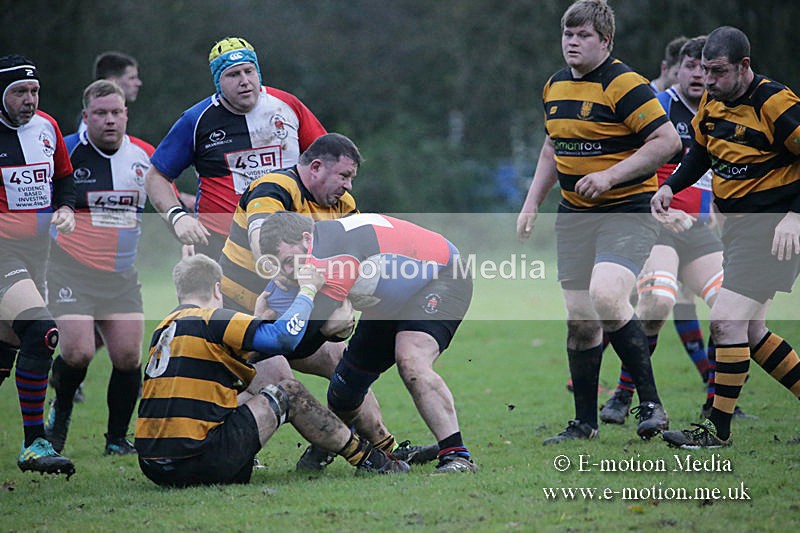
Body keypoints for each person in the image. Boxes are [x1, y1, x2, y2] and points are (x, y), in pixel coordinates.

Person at [221, 132, 437, 471]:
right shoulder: (274, 187)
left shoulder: (342, 205)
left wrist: (340, 304)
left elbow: (353, 260)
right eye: (344, 176)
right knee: (276, 380)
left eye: (352, 178)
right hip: (245, 309)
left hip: (297, 308)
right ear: (317, 167)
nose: (349, 186)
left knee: (344, 366)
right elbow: (264, 245)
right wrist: (302, 291)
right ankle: (231, 449)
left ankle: (387, 448)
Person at [515, 0, 681, 443]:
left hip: (626, 209)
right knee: (581, 319)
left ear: (605, 41)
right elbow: (553, 147)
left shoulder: (625, 84)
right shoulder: (554, 85)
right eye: (567, 34)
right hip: (573, 215)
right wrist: (532, 202)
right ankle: (584, 424)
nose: (572, 42)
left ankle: (650, 404)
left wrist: (610, 176)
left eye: (583, 35)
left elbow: (666, 142)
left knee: (607, 296)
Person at [134, 254, 408, 486]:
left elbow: (242, 358)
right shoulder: (214, 318)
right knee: (288, 392)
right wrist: (308, 291)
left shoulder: (165, 328)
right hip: (199, 461)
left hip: (154, 466)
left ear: (179, 291)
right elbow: (282, 338)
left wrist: (258, 319)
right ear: (218, 290)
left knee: (243, 396)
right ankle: (371, 459)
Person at [655, 26, 800, 448]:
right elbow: (699, 152)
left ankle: (716, 430)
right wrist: (670, 187)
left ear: (744, 66)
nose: (710, 81)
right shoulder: (713, 105)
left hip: (772, 230)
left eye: (718, 72)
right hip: (738, 231)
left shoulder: (775, 103)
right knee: (751, 332)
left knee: (725, 321)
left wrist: (795, 215)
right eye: (705, 71)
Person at [259, 211, 477, 473]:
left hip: (444, 276)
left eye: (289, 261)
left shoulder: (332, 258)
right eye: (279, 264)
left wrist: (266, 327)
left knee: (411, 359)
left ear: (307, 239)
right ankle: (337, 444)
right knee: (345, 389)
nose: (287, 271)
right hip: (390, 300)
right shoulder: (310, 253)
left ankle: (458, 456)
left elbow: (301, 343)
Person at [601, 36, 730, 423]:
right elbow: (628, 160)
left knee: (730, 308)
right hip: (656, 226)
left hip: (699, 230)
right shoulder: (661, 106)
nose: (697, 74)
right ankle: (624, 396)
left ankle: (717, 402)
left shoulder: (722, 111)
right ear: (677, 68)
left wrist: (722, 209)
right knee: (658, 302)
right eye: (690, 66)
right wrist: (652, 205)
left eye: (704, 68)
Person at [44, 80, 154, 456]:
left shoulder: (144, 157)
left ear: (126, 115)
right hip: (70, 271)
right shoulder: (67, 154)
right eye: (101, 114)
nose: (110, 121)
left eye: (116, 113)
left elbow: (167, 192)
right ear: (86, 116)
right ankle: (58, 416)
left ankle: (116, 440)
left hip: (121, 276)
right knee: (78, 353)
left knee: (128, 357)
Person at [145, 36, 326, 260]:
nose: (244, 81)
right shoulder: (196, 119)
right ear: (217, 81)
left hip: (291, 240)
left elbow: (326, 162)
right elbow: (156, 176)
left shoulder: (288, 106)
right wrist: (177, 216)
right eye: (233, 74)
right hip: (222, 243)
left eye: (249, 71)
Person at [0, 54, 76, 476]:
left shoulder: (46, 128)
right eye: (19, 92)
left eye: (34, 91)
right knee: (43, 332)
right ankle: (35, 444)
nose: (29, 99)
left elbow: (64, 177)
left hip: (36, 254)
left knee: (7, 348)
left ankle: (34, 443)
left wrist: (64, 208)